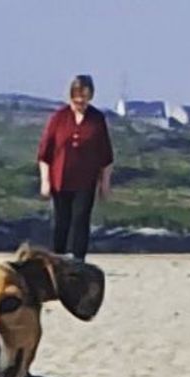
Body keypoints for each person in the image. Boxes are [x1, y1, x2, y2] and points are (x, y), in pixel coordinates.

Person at [37, 74, 113, 260]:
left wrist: (105, 184)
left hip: (85, 181)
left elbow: (106, 156)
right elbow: (44, 154)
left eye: (84, 96)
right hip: (60, 180)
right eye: (77, 95)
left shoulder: (97, 119)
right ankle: (57, 260)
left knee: (80, 221)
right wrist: (45, 182)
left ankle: (79, 261)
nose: (80, 100)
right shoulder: (58, 118)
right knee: (61, 222)